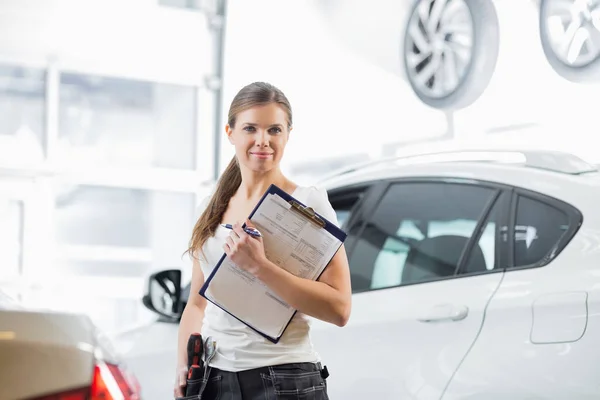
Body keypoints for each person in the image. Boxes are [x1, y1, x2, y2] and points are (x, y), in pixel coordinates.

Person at [174, 81, 352, 399]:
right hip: (214, 380)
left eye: (274, 130)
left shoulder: (308, 203)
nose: (263, 140)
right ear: (230, 133)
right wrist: (183, 368)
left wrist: (259, 266)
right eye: (250, 128)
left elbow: (339, 309)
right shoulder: (210, 209)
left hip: (285, 379)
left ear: (288, 134)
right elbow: (197, 303)